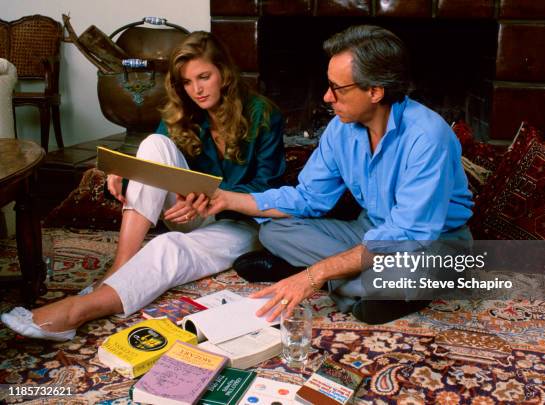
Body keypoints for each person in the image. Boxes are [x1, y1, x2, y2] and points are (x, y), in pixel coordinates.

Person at [1, 31, 285, 341]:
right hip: (189, 211)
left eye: (204, 77)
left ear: (224, 73)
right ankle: (121, 264)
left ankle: (77, 311)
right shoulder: (185, 109)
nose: (197, 90)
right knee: (152, 143)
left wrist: (214, 197)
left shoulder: (263, 114)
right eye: (188, 82)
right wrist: (125, 173)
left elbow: (267, 188)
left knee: (166, 248)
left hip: (241, 222)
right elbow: (153, 160)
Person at [194, 25, 474, 325]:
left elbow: (406, 236)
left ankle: (332, 277)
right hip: (370, 229)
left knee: (407, 269)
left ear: (375, 91)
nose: (327, 97)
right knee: (274, 231)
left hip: (432, 243)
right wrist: (227, 199)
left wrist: (315, 274)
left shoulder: (427, 137)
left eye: (337, 89)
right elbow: (307, 198)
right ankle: (355, 284)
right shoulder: (341, 129)